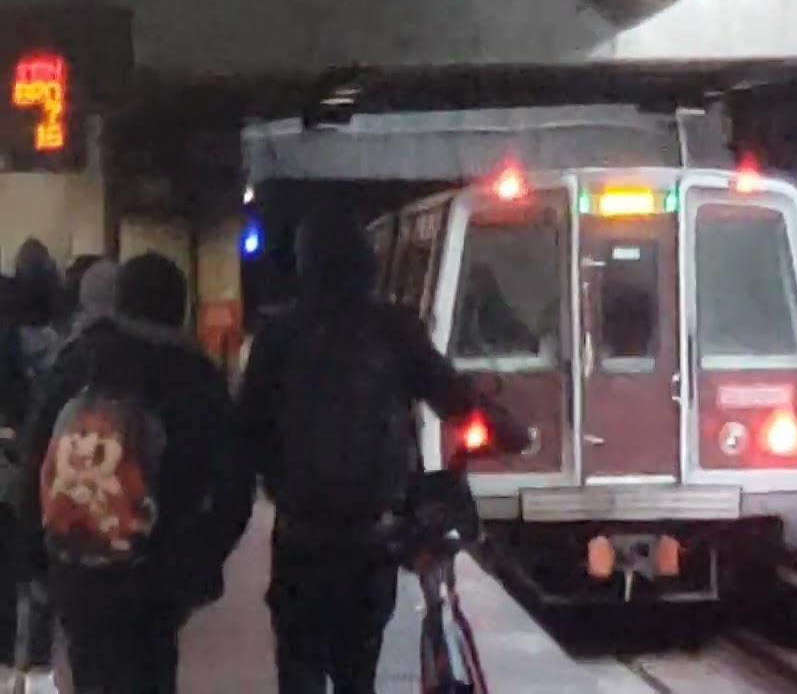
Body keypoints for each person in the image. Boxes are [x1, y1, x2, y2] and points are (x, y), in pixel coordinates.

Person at [238, 213, 530, 694]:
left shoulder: (278, 334)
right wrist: (511, 431)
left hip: (300, 537)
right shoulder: (395, 329)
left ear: (303, 265)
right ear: (367, 264)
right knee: (359, 667)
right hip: (371, 536)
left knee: (299, 663)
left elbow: (248, 431)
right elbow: (453, 397)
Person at [14, 252, 255, 694]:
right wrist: (195, 569)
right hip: (155, 573)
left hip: (76, 564)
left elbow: (35, 460)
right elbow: (234, 487)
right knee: (150, 675)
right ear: (179, 309)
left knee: (91, 676)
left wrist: (38, 559)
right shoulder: (196, 375)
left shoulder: (75, 361)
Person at [0, 238, 66, 694]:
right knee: (40, 568)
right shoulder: (65, 340)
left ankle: (9, 665)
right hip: (48, 464)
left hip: (6, 462)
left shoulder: (5, 329)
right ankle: (37, 669)